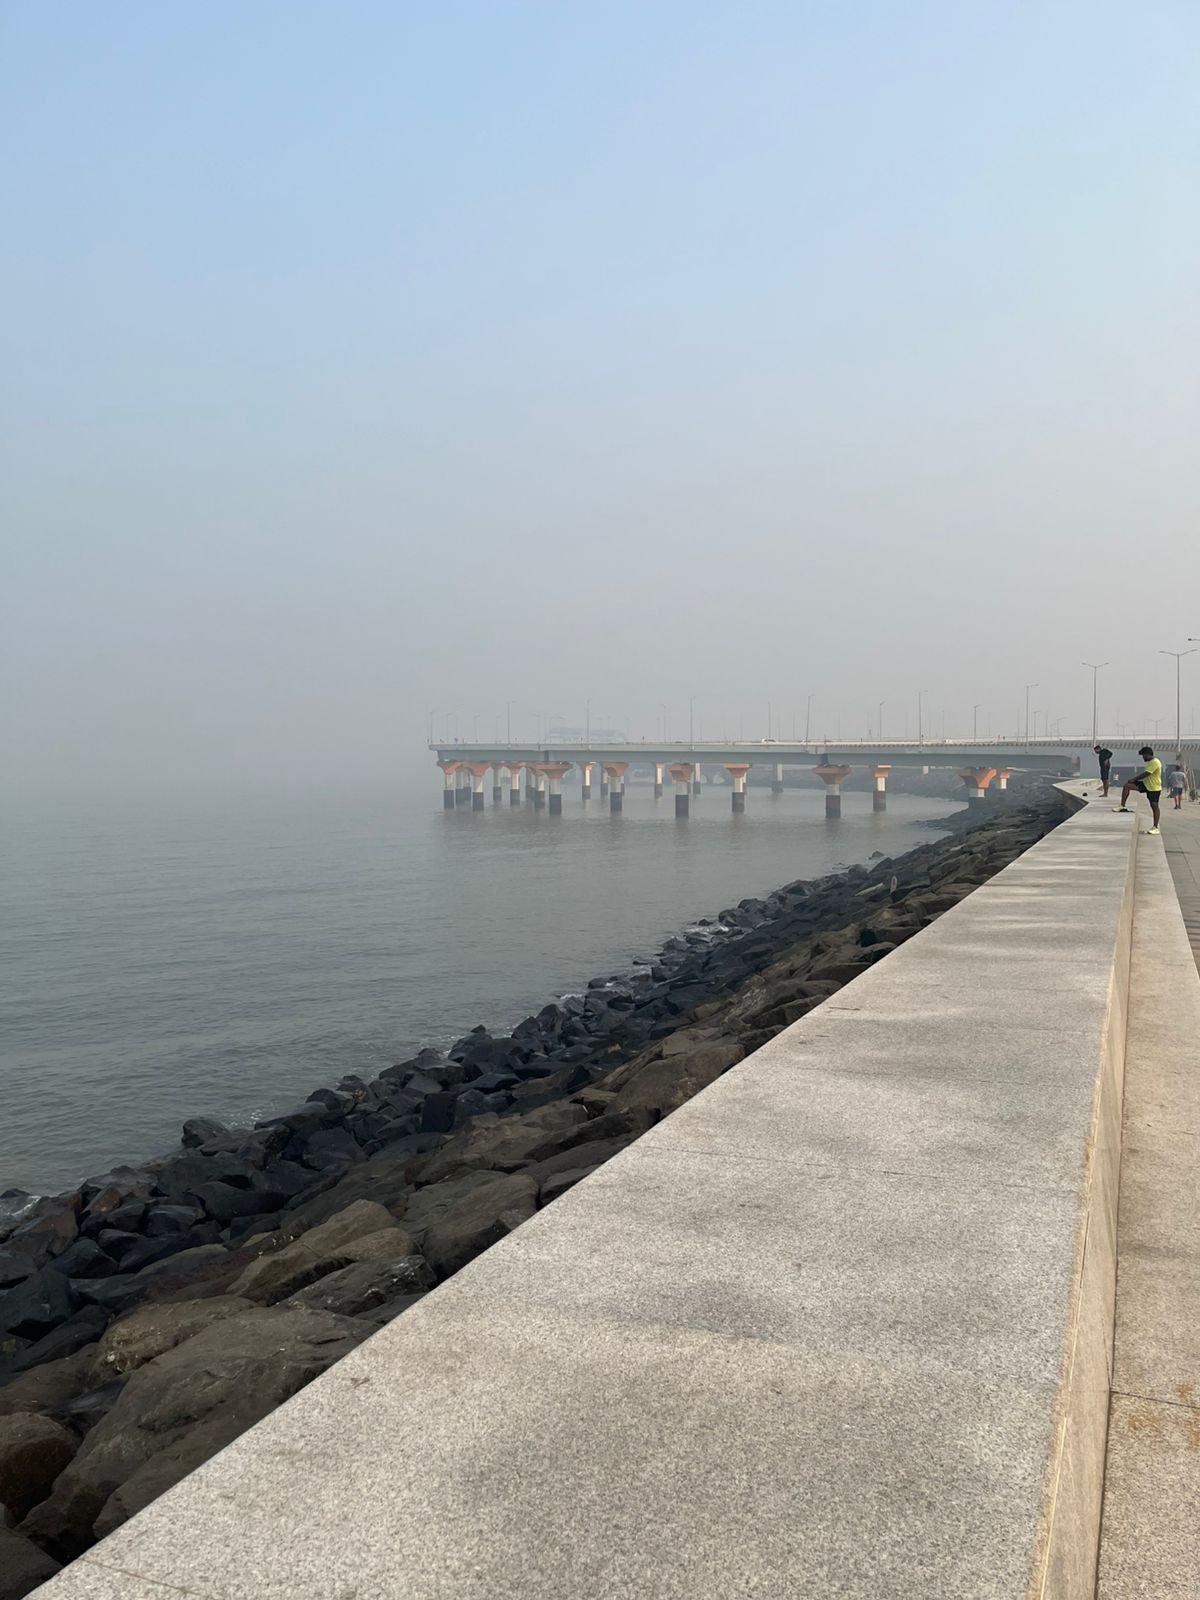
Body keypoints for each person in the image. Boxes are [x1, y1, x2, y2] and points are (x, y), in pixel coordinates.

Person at [1113, 745, 1163, 833]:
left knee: (1154, 807)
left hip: (1154, 788)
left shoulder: (1155, 762)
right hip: (1146, 784)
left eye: (1144, 755)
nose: (1143, 757)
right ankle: (1122, 805)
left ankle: (1155, 827)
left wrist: (1134, 779)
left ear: (1148, 754)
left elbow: (1146, 774)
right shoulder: (1149, 762)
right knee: (1127, 786)